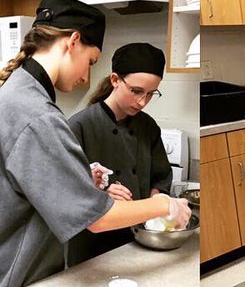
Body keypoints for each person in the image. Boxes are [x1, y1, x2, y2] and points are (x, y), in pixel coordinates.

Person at [0, 0, 190, 287]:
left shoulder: (16, 94)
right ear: (73, 41)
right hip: (16, 282)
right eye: (90, 62)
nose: (87, 75)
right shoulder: (39, 115)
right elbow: (97, 219)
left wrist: (81, 180)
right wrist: (162, 204)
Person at [67, 41, 175, 263]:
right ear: (115, 80)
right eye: (136, 91)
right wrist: (103, 196)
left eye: (151, 94)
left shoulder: (148, 127)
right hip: (92, 247)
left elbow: (161, 177)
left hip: (139, 237)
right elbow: (68, 195)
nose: (142, 102)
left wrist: (156, 202)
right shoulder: (79, 127)